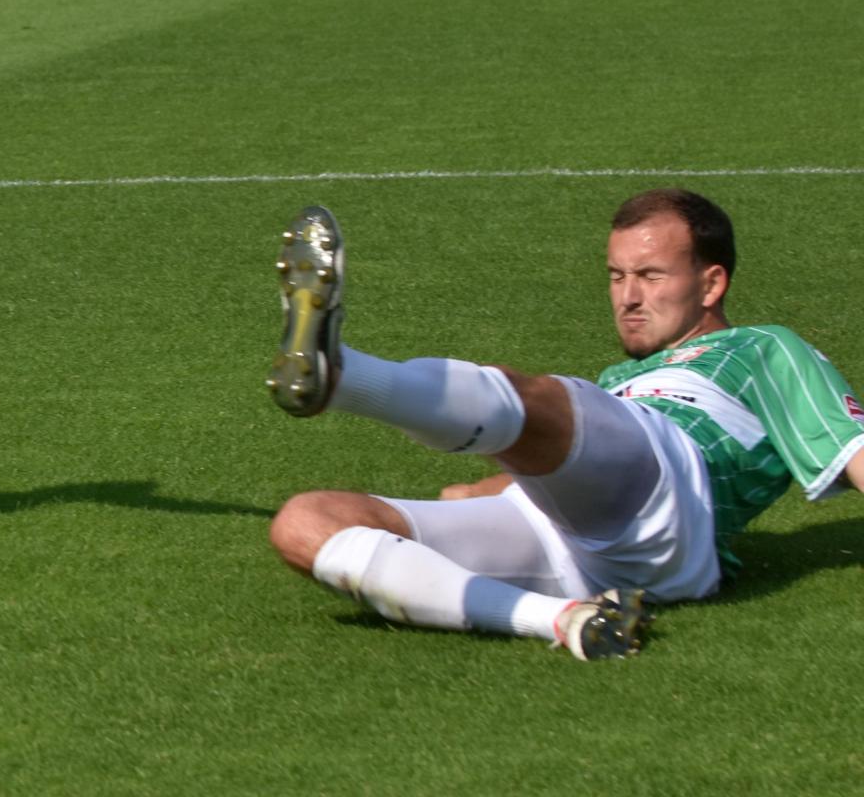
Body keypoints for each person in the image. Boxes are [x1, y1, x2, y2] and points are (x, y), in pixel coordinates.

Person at [265, 191, 864, 661]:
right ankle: (564, 620)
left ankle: (341, 379)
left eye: (651, 276)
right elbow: (577, 471)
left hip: (677, 503)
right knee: (306, 523)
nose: (627, 297)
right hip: (571, 543)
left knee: (543, 401)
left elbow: (854, 450)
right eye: (616, 275)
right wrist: (480, 495)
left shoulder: (764, 350)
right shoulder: (617, 382)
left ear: (711, 283)